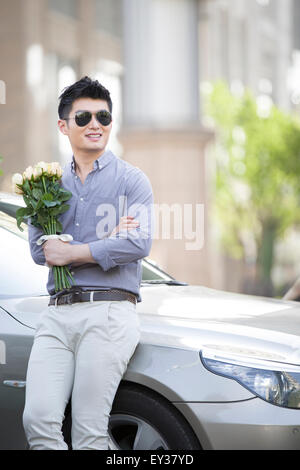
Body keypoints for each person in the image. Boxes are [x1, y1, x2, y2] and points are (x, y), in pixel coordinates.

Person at [22, 76, 154, 450]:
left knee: (88, 431)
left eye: (103, 117)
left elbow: (138, 242)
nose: (95, 124)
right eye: (84, 118)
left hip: (109, 313)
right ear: (64, 125)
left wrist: (74, 250)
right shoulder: (46, 186)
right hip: (57, 314)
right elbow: (39, 251)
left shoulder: (132, 181)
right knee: (38, 421)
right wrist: (107, 242)